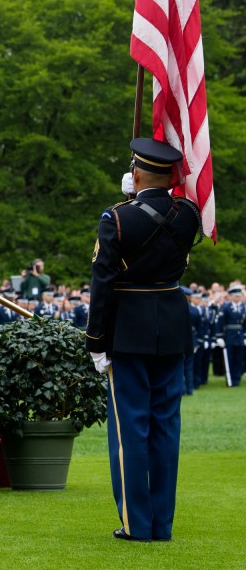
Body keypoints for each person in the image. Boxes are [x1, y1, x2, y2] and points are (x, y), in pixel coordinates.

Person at [86, 138, 201, 543]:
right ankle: (161, 525)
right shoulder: (188, 214)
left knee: (130, 427)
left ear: (134, 174)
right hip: (172, 324)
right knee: (166, 427)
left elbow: (103, 282)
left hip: (129, 328)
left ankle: (137, 524)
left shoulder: (116, 218)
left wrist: (95, 340)